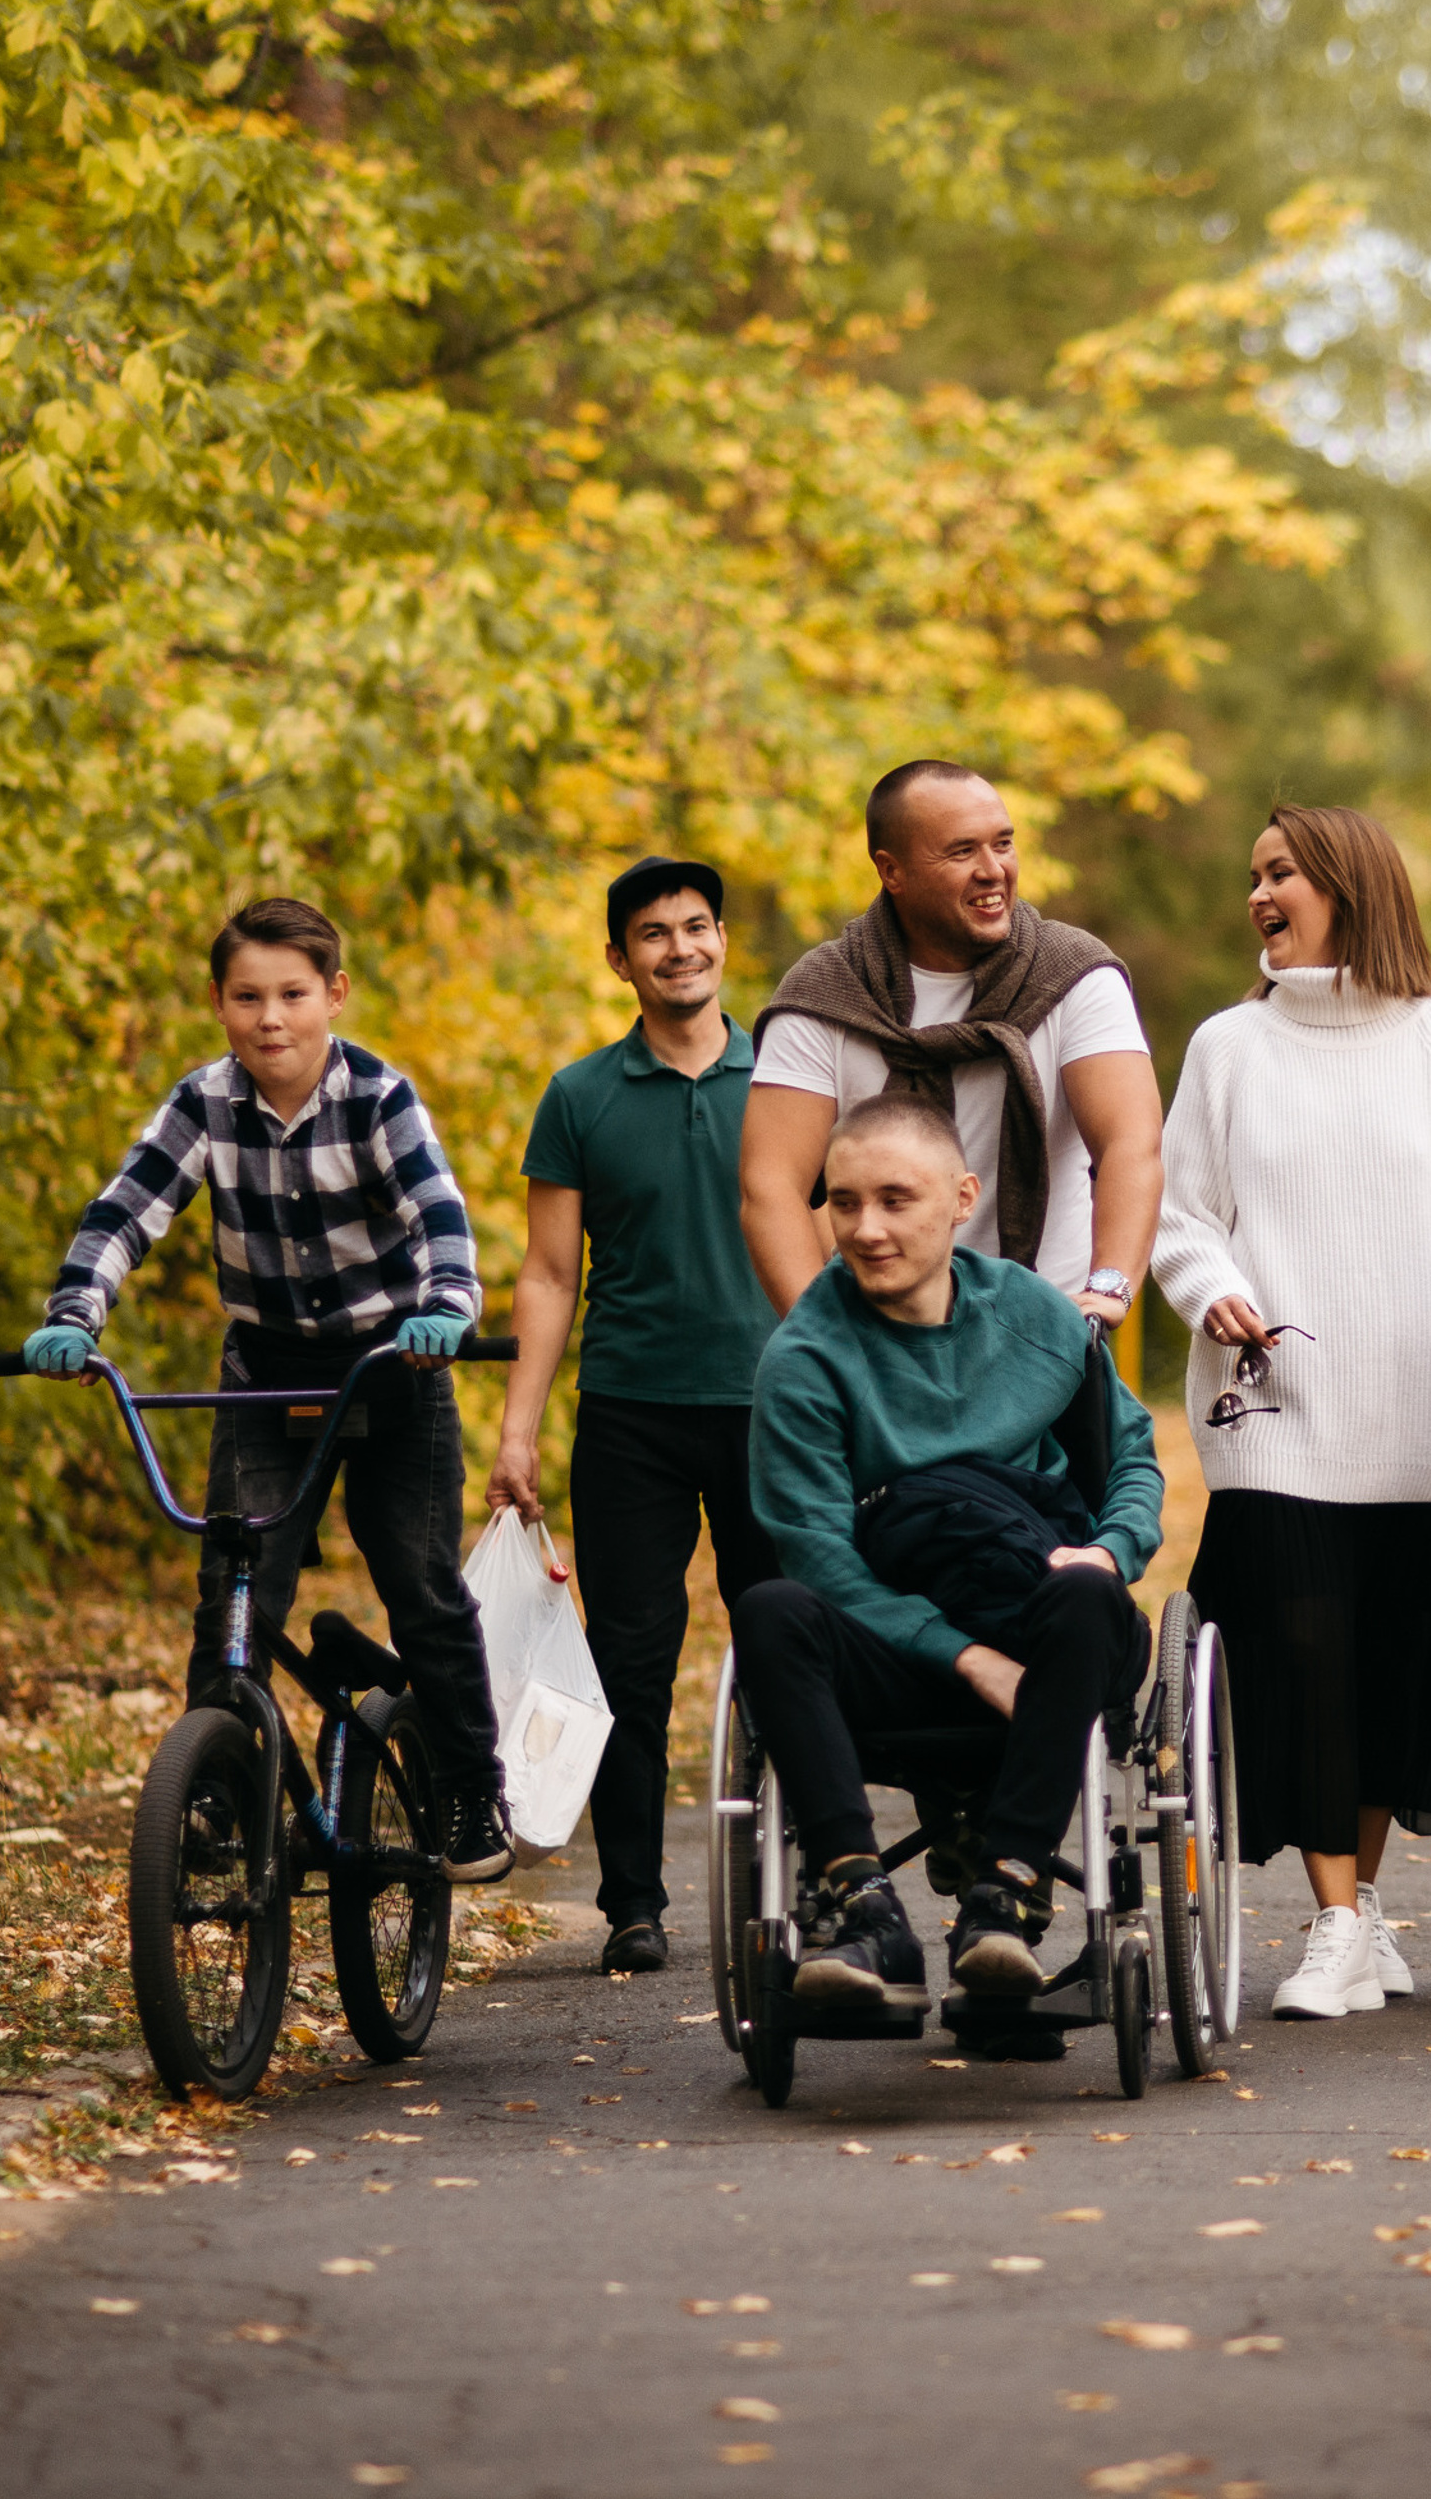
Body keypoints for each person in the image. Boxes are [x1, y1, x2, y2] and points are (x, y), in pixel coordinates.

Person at [24, 895, 512, 1882]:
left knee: (421, 1585)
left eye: (292, 994)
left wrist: (447, 1305)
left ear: (332, 994)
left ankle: (471, 1790)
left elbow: (437, 1215)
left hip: (394, 1366)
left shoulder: (378, 1096)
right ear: (218, 1001)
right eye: (247, 997)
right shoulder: (203, 1101)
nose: (270, 1018)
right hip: (266, 1378)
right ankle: (214, 1796)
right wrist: (75, 1313)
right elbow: (125, 1209)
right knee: (233, 1589)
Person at [1152, 805, 1431, 2019]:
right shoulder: (1227, 1047)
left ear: (1348, 884)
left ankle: (1363, 1909)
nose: (1259, 892)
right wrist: (1217, 1290)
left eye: (1281, 870)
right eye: (1251, 873)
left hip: (1415, 1405)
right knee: (1300, 1656)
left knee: (1390, 1664)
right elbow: (1180, 1215)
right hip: (1276, 1404)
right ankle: (1336, 1920)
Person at [731, 1093, 1164, 2007]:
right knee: (771, 1609)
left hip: (1053, 1624)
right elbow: (818, 1555)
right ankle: (863, 1909)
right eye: (844, 1203)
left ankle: (1003, 1897)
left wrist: (1114, 1550)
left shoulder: (1036, 1316)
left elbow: (1130, 1456)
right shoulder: (806, 1357)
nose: (866, 1228)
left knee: (1087, 1597)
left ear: (962, 1198)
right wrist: (966, 1659)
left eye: (896, 1199)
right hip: (900, 1645)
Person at [484, 857, 783, 1974]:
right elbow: (550, 1274)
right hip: (628, 1415)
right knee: (631, 1663)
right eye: (652, 933)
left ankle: (797, 1869)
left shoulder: (789, 1077)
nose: (679, 948)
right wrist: (517, 1428)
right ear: (621, 958)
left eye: (696, 927)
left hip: (774, 1409)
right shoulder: (580, 1095)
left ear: (720, 942)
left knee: (787, 1640)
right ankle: (634, 1903)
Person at [738, 759, 1161, 1328]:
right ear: (892, 871)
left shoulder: (1075, 977)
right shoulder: (824, 996)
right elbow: (771, 1186)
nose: (993, 870)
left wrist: (1109, 1289)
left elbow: (1130, 1144)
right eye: (962, 852)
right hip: (876, 1339)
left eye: (1003, 844)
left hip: (1049, 1333)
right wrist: (827, 1341)